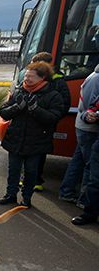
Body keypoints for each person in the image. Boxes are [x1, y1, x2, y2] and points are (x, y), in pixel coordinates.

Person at [0, 62, 65, 208]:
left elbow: (54, 117)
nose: (26, 79)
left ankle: (26, 198)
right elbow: (3, 113)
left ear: (42, 78)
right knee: (13, 170)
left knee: (31, 171)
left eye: (31, 76)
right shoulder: (18, 91)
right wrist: (17, 107)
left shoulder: (53, 95)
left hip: (37, 142)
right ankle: (10, 195)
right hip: (16, 139)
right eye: (26, 75)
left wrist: (36, 109)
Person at [30, 52, 70, 191]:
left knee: (39, 152)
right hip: (30, 123)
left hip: (44, 124)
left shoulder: (58, 82)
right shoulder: (34, 80)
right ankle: (28, 178)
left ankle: (36, 180)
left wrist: (50, 117)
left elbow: (63, 105)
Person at [60, 63, 99, 206]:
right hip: (88, 129)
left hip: (88, 128)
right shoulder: (96, 79)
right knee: (90, 165)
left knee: (79, 161)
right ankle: (84, 200)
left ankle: (67, 191)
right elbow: (89, 108)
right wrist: (92, 116)